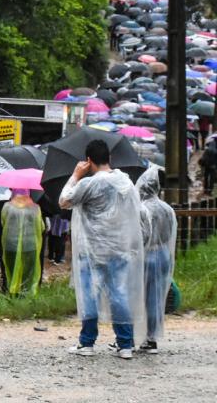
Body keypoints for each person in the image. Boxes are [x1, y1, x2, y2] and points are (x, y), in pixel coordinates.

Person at [60, 140, 146, 360]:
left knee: (89, 294)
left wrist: (76, 175)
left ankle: (87, 342)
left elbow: (64, 200)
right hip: (120, 249)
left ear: (89, 161)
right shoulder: (125, 182)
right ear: (109, 158)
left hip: (92, 250)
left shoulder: (89, 184)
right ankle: (125, 344)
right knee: (120, 294)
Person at [136, 165, 177, 354]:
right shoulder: (167, 209)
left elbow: (141, 236)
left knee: (140, 298)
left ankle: (139, 336)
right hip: (163, 255)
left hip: (147, 255)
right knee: (156, 298)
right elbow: (169, 235)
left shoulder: (142, 209)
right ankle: (152, 338)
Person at [1, 189, 43, 296]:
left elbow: (3, 222)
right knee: (28, 272)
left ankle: (12, 293)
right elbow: (41, 227)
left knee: (11, 270)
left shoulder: (7, 206)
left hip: (11, 244)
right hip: (30, 244)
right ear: (28, 193)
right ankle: (25, 293)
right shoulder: (35, 208)